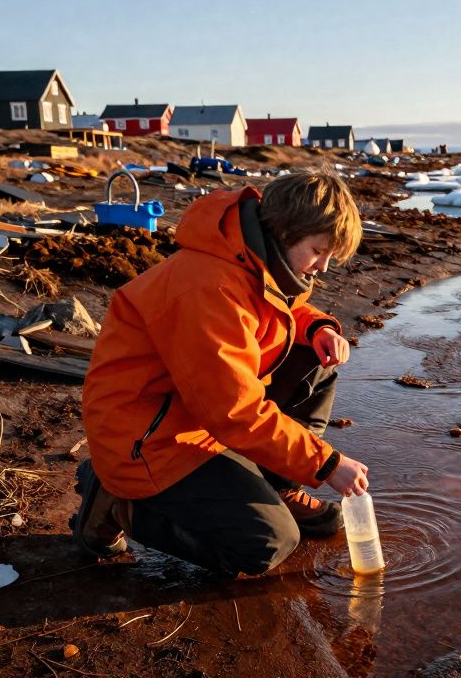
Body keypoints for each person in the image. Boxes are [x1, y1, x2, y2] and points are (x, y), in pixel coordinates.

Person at [71, 170, 370, 578]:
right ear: (284, 230)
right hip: (146, 441)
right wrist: (327, 464)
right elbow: (235, 411)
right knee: (268, 544)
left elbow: (276, 309)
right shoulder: (207, 288)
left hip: (195, 414)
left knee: (316, 360)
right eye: (319, 251)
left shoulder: (253, 258)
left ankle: (276, 485)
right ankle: (117, 501)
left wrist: (318, 327)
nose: (322, 268)